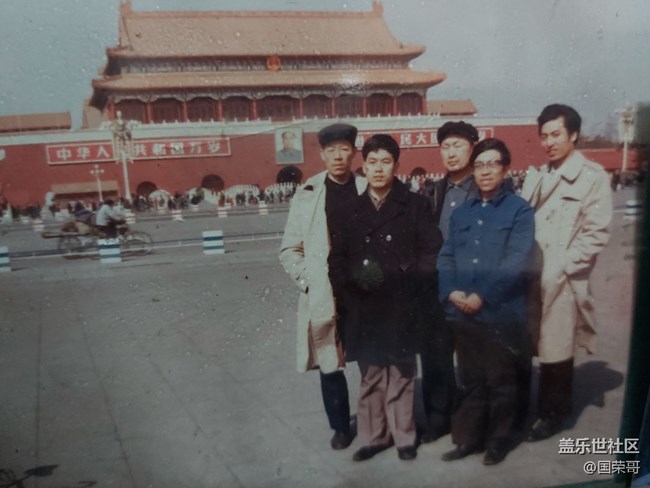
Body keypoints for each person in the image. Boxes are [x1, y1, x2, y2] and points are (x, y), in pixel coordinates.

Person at [328, 134, 442, 461]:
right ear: (363, 166)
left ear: (396, 165)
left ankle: (405, 436)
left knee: (403, 373)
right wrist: (357, 284)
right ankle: (374, 437)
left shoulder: (416, 205)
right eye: (373, 162)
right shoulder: (348, 210)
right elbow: (337, 261)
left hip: (405, 304)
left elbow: (430, 252)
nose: (378, 169)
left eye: (386, 162)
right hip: (364, 306)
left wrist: (410, 282)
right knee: (371, 375)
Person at [437, 138, 535, 465]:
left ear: (505, 169)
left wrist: (483, 294)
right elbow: (447, 256)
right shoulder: (462, 213)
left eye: (493, 164)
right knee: (470, 379)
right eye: (479, 165)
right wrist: (450, 291)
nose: (485, 171)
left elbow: (516, 260)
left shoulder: (519, 210)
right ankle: (469, 439)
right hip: (462, 312)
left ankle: (497, 441)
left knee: (500, 381)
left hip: (501, 313)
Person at [520, 104, 613, 441]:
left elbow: (596, 233)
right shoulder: (538, 175)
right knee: (529, 342)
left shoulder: (593, 177)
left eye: (556, 134)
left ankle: (553, 415)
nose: (549, 142)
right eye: (544, 136)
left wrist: (563, 265)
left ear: (573, 134)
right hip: (530, 273)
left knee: (556, 347)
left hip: (563, 277)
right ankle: (527, 407)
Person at [279, 123, 366, 450]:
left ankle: (376, 420)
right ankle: (341, 427)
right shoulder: (308, 193)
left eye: (344, 149)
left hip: (364, 292)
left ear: (354, 152)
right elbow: (289, 249)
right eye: (331, 150)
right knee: (330, 364)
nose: (338, 156)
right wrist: (308, 282)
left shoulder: (368, 187)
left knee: (372, 360)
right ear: (322, 154)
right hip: (326, 292)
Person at [418, 121, 479, 442]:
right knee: (435, 358)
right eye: (445, 146)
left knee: (472, 360)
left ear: (473, 147)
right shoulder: (432, 192)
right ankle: (438, 419)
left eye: (458, 145)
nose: (451, 153)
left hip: (473, 288)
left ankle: (472, 421)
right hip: (437, 289)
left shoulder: (484, 188)